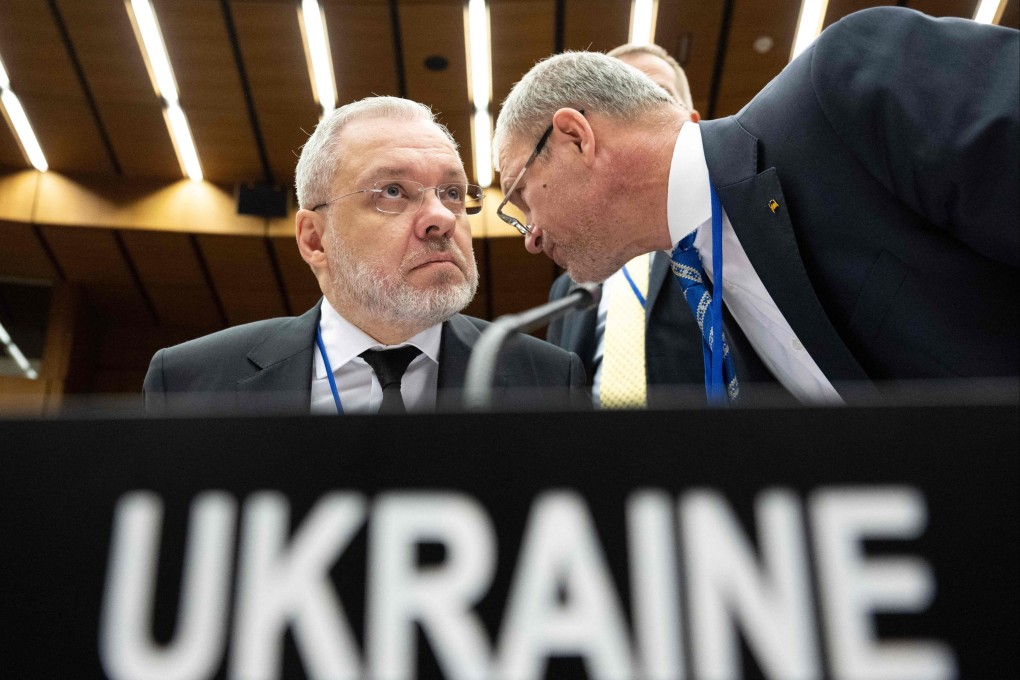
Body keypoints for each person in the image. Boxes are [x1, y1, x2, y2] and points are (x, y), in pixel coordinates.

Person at [493, 7, 1019, 403]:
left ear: (575, 137)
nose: (530, 235)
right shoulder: (701, 285)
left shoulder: (842, 83)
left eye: (519, 195)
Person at [145, 96, 585, 414]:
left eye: (452, 193)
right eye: (392, 192)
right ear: (315, 240)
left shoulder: (547, 378)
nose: (441, 218)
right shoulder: (192, 380)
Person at [546, 43, 763, 409]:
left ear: (693, 122)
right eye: (617, 99)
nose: (635, 110)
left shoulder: (728, 235)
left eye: (655, 95)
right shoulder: (568, 286)